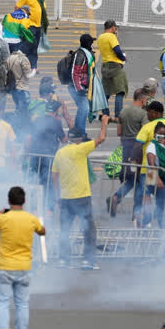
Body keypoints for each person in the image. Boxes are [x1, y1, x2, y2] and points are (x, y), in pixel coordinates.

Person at [51, 114, 110, 270]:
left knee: (65, 230)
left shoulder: (60, 153)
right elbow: (101, 138)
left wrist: (57, 196)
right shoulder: (80, 149)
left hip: (65, 198)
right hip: (81, 197)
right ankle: (88, 261)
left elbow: (54, 176)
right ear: (79, 139)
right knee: (88, 230)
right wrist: (104, 123)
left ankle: (63, 260)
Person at [0, 186, 45, 329]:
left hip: (5, 267)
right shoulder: (30, 219)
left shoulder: (2, 218)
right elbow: (42, 231)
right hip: (24, 267)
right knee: (22, 304)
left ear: (8, 201)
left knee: (2, 303)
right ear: (24, 201)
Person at [108, 86, 155, 216]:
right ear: (143, 99)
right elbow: (146, 132)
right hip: (138, 150)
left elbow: (119, 132)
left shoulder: (123, 111)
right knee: (140, 179)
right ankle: (137, 211)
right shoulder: (143, 114)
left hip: (126, 148)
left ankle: (117, 197)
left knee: (130, 177)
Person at [27, 99, 66, 214]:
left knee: (34, 180)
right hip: (48, 158)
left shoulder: (36, 120)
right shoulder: (56, 122)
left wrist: (29, 154)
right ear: (55, 111)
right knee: (48, 183)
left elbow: (29, 138)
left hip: (35, 156)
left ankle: (33, 207)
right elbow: (64, 140)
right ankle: (48, 209)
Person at [15, 0, 48, 74]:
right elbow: (17, 8)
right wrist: (19, 21)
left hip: (38, 26)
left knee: (35, 48)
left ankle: (33, 67)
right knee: (27, 47)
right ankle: (22, 66)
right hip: (30, 26)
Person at [97, 20, 128, 118]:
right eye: (115, 27)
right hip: (115, 66)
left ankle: (105, 113)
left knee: (106, 91)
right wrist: (123, 58)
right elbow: (117, 50)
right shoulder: (111, 36)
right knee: (120, 91)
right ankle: (118, 115)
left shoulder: (100, 37)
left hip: (105, 66)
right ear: (113, 27)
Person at [69, 34, 96, 139]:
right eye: (91, 42)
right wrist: (79, 88)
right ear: (88, 44)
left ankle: (79, 132)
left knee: (83, 109)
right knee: (84, 108)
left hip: (82, 87)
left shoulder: (86, 54)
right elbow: (74, 73)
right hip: (76, 87)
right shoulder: (80, 55)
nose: (93, 44)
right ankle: (80, 133)